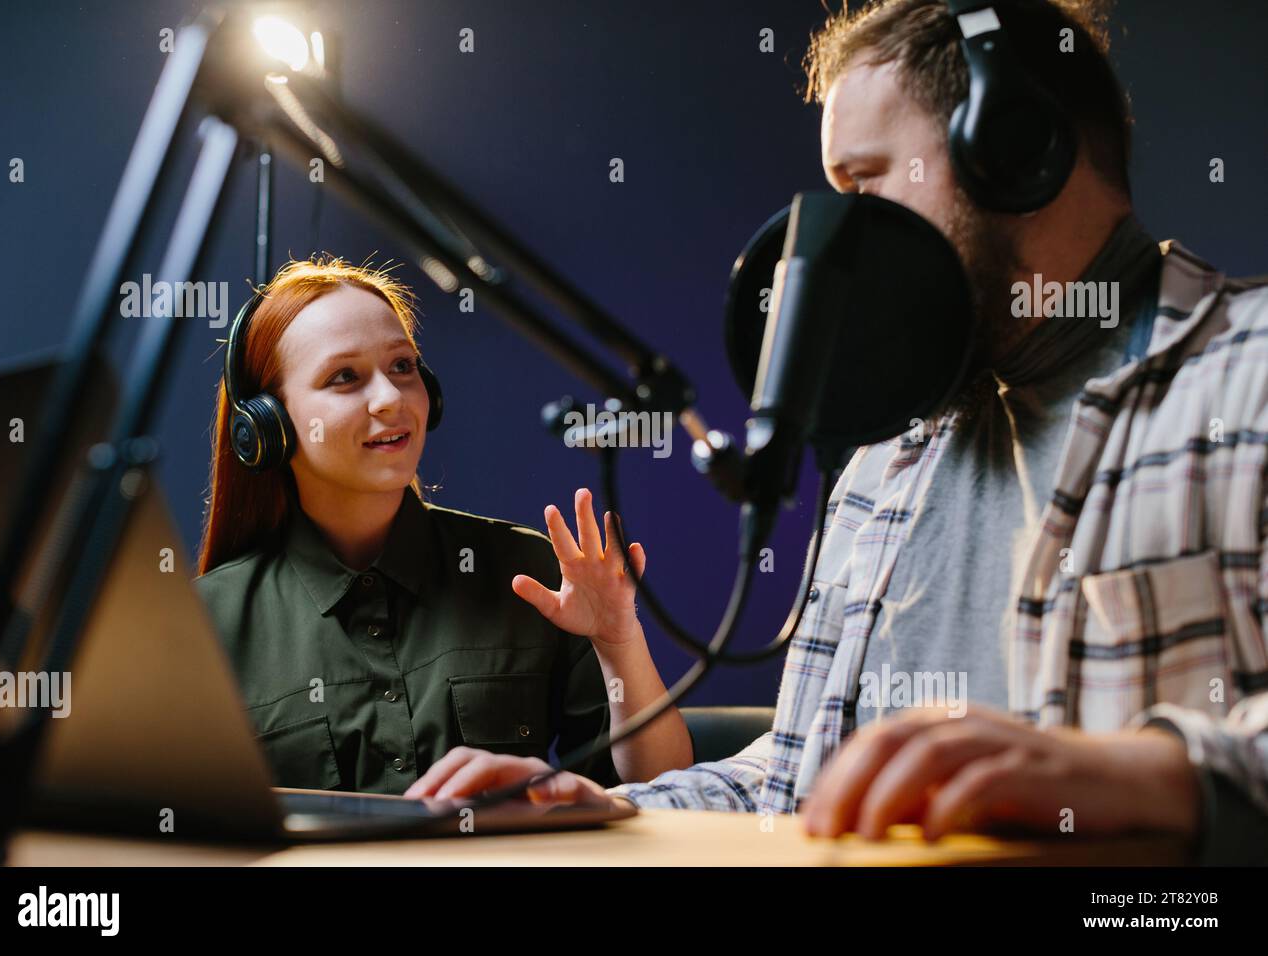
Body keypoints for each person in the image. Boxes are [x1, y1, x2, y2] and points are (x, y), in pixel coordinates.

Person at [404, 0, 1268, 864]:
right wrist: (609, 805)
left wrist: (1134, 775)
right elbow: (795, 776)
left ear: (1016, 156)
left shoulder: (1248, 378)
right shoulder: (890, 454)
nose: (842, 234)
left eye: (867, 182)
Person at [192, 255, 692, 794]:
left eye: (403, 366)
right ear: (266, 424)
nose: (390, 399)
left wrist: (620, 643)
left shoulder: (533, 575)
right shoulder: (203, 625)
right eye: (345, 377)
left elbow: (667, 796)